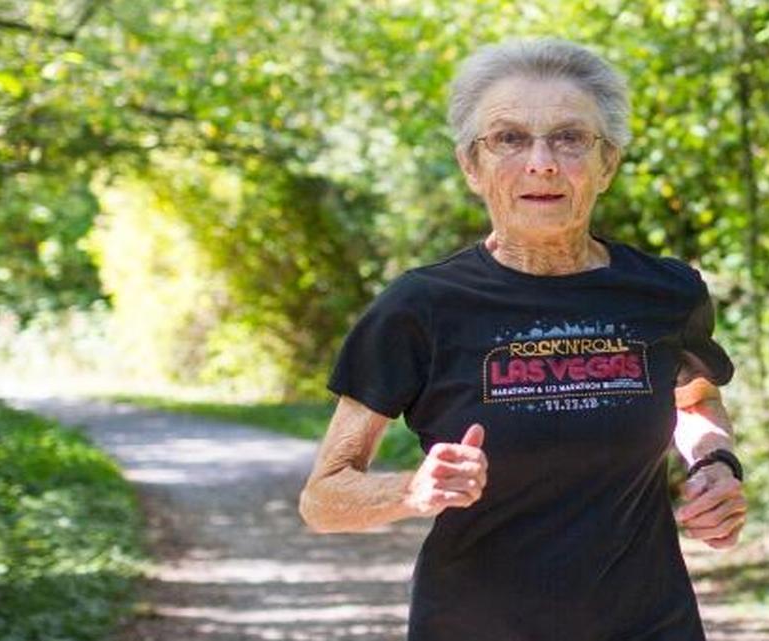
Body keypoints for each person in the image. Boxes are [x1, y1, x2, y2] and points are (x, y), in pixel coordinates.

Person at [299, 38, 746, 641]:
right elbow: (324, 498)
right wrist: (413, 489)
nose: (541, 162)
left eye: (569, 138)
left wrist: (714, 462)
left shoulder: (665, 292)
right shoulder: (421, 307)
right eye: (509, 138)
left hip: (650, 623)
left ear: (607, 163)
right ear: (471, 166)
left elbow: (693, 400)